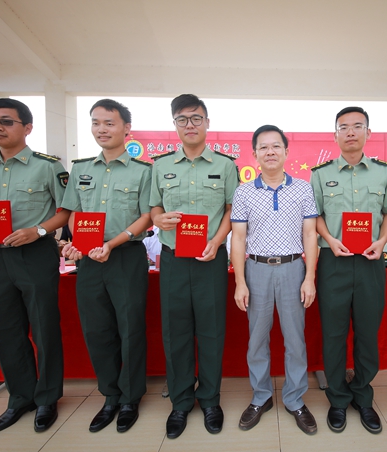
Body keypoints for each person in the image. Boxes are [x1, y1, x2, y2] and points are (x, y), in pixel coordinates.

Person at [0, 98, 70, 434]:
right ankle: (20, 397)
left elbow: (66, 211)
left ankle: (47, 398)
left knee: (44, 326)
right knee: (5, 328)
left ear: (27, 128)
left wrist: (37, 230)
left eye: (7, 121)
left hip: (35, 253)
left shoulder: (47, 166)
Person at [149, 94, 240, 439]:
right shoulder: (161, 166)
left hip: (210, 260)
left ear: (207, 123)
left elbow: (232, 210)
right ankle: (181, 402)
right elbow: (153, 208)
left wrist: (217, 241)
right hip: (173, 260)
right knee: (176, 333)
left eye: (196, 118)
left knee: (212, 331)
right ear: (174, 124)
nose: (190, 125)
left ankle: (210, 400)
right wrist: (159, 218)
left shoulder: (226, 166)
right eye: (182, 119)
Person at [61, 99, 152, 433]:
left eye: (109, 123)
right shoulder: (81, 169)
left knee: (130, 329)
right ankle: (110, 395)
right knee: (97, 329)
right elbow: (73, 211)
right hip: (89, 260)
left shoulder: (144, 171)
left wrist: (111, 244)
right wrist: (77, 242)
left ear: (126, 128)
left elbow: (147, 216)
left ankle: (130, 397)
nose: (102, 129)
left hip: (125, 256)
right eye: (96, 122)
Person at [310, 106, 387, 435]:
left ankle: (363, 395)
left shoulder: (384, 173)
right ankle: (337, 398)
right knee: (333, 333)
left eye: (357, 126)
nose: (350, 132)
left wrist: (382, 240)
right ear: (335, 135)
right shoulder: (320, 174)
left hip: (370, 261)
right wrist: (330, 239)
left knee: (367, 332)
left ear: (368, 133)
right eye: (344, 127)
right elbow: (315, 215)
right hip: (333, 261)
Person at [231, 125, 319, 435]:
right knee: (257, 338)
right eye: (263, 147)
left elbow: (310, 234)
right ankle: (261, 396)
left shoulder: (303, 189)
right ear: (254, 154)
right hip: (256, 269)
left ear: (286, 151)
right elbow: (238, 239)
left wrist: (309, 277)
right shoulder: (243, 192)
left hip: (293, 268)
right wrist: (240, 282)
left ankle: (295, 399)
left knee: (295, 338)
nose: (270, 152)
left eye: (276, 146)